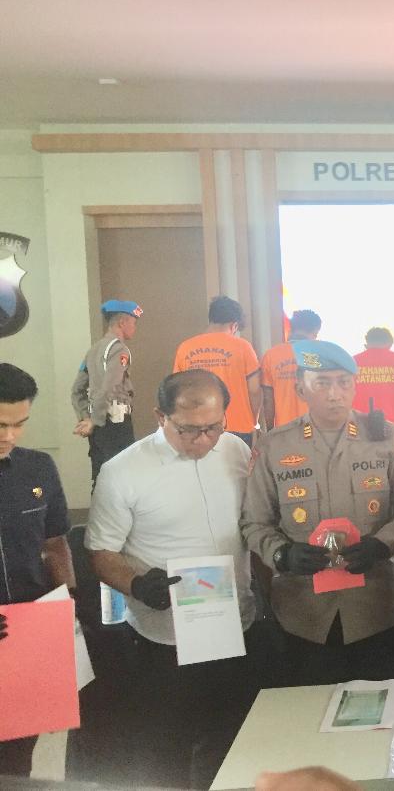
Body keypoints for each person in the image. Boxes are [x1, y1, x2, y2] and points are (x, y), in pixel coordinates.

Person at [85, 369, 258, 790]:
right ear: (160, 416)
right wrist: (137, 585)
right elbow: (101, 554)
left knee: (237, 738)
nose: (203, 440)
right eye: (188, 430)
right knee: (168, 747)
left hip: (238, 624)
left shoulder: (235, 449)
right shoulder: (122, 471)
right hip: (167, 638)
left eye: (213, 427)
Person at [240, 340, 394, 686]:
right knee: (309, 711)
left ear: (355, 386)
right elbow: (254, 522)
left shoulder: (387, 437)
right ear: (301, 388)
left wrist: (383, 544)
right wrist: (282, 554)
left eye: (343, 382)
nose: (334, 394)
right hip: (304, 612)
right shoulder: (274, 446)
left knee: (383, 708)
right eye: (322, 383)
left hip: (374, 608)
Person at [0, 363, 75, 778]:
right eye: (0, 425)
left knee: (17, 759)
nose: (10, 436)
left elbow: (55, 543)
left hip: (26, 636)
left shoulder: (38, 469)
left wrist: (70, 605)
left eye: (20, 424)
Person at [173, 295, 262, 446]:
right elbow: (254, 390)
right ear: (234, 325)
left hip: (197, 427)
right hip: (238, 426)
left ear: (211, 319)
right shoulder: (243, 347)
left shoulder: (185, 348)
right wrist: (254, 420)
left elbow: (176, 391)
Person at [71, 299, 142, 487]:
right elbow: (110, 386)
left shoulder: (93, 350)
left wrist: (86, 418)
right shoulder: (119, 349)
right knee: (123, 477)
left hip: (98, 426)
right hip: (115, 423)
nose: (134, 328)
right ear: (122, 322)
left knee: (99, 476)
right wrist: (94, 420)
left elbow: (77, 389)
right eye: (133, 322)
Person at [261, 309, 321, 430]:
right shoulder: (320, 354)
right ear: (314, 332)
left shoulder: (271, 355)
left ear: (291, 329)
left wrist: (270, 431)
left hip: (284, 431)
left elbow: (268, 400)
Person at [352, 326, 394, 432]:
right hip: (393, 427)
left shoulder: (352, 362)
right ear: (389, 343)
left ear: (367, 343)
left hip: (359, 427)